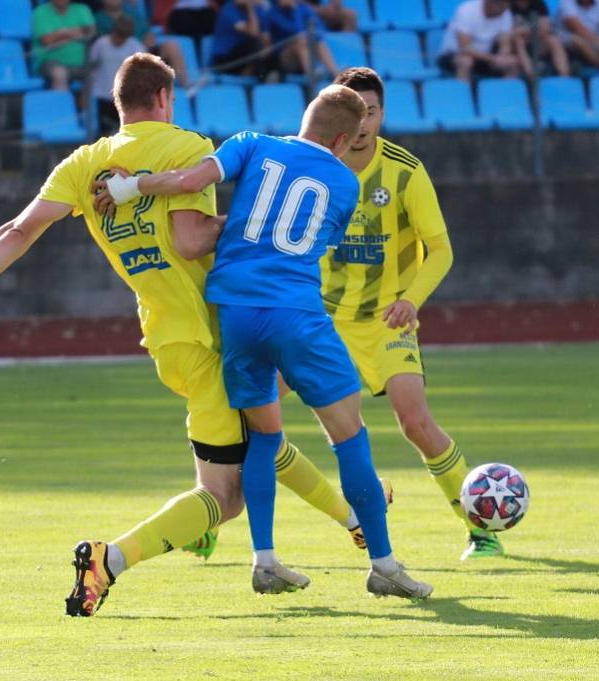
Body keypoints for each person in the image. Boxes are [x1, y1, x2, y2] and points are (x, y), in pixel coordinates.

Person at [0, 53, 368, 616]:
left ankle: (352, 522)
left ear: (118, 102)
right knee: (224, 497)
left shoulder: (86, 162)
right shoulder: (185, 146)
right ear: (165, 98)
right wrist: (266, 223)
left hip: (163, 336)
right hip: (210, 331)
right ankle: (111, 558)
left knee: (260, 435)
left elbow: (18, 229)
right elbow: (190, 241)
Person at [102, 85, 434, 600]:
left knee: (263, 436)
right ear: (343, 138)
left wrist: (132, 188)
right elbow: (314, 242)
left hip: (236, 315)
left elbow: (191, 180)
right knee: (349, 438)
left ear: (305, 120)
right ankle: (384, 565)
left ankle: (265, 560)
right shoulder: (345, 184)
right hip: (296, 316)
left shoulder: (252, 142)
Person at [313, 67, 502, 561]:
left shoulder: (405, 172)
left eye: (372, 112)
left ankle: (480, 527)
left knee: (414, 420)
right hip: (325, 317)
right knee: (258, 409)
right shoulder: (314, 168)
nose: (363, 122)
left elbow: (440, 249)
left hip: (386, 319)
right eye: (355, 112)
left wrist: (410, 300)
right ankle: (211, 511)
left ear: (381, 114)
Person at [92, 0, 190, 88]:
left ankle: (185, 86)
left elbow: (148, 34)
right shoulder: (97, 19)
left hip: (143, 52)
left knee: (171, 46)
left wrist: (147, 42)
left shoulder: (132, 14)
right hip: (119, 58)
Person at [438, 0, 520, 81]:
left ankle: (505, 93)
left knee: (512, 62)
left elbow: (505, 43)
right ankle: (461, 93)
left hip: (485, 57)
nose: (503, 9)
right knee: (465, 62)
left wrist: (502, 56)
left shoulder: (505, 13)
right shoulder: (466, 10)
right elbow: (465, 48)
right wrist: (493, 59)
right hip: (453, 54)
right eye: (500, 5)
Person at [89, 15, 144, 135]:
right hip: (103, 96)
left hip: (126, 98)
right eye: (118, 36)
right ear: (112, 31)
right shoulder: (100, 44)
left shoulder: (136, 47)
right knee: (104, 133)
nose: (120, 40)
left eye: (124, 38)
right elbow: (91, 65)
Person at [32, 0, 97, 91]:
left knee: (96, 74)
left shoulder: (82, 9)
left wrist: (62, 32)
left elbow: (90, 32)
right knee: (60, 74)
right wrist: (75, 33)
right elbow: (47, 40)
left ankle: (87, 105)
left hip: (82, 63)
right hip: (50, 62)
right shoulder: (40, 12)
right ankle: (61, 104)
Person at [267, 0, 340, 79]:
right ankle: (312, 77)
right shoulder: (273, 13)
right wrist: (295, 11)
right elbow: (295, 31)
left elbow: (320, 27)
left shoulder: (302, 7)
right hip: (283, 57)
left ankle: (335, 74)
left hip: (304, 52)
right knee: (301, 43)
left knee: (318, 42)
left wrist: (311, 36)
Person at [210, 0, 272, 78]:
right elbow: (253, 33)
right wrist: (250, 9)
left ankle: (267, 76)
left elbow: (266, 38)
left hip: (248, 58)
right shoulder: (228, 10)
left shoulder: (259, 10)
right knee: (251, 42)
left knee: (270, 50)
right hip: (225, 59)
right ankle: (263, 77)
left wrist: (265, 50)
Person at [510, 0, 571, 76]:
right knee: (519, 41)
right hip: (515, 44)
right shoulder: (509, 5)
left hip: (536, 40)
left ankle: (564, 76)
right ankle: (531, 75)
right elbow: (510, 31)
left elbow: (545, 27)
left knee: (553, 41)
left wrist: (525, 30)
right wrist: (533, 28)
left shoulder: (538, 3)